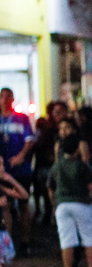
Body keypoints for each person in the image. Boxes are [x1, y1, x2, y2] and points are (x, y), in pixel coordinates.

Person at [48, 135, 92, 267]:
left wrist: (54, 204)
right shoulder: (81, 165)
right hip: (81, 203)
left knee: (66, 240)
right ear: (77, 149)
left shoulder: (57, 166)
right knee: (89, 237)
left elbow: (51, 187)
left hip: (62, 205)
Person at [0, 88, 35, 255]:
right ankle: (8, 242)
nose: (5, 100)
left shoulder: (22, 119)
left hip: (21, 170)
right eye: (2, 97)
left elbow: (30, 140)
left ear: (13, 99)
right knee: (5, 203)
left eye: (8, 96)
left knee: (23, 203)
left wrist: (21, 155)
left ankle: (25, 241)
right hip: (2, 170)